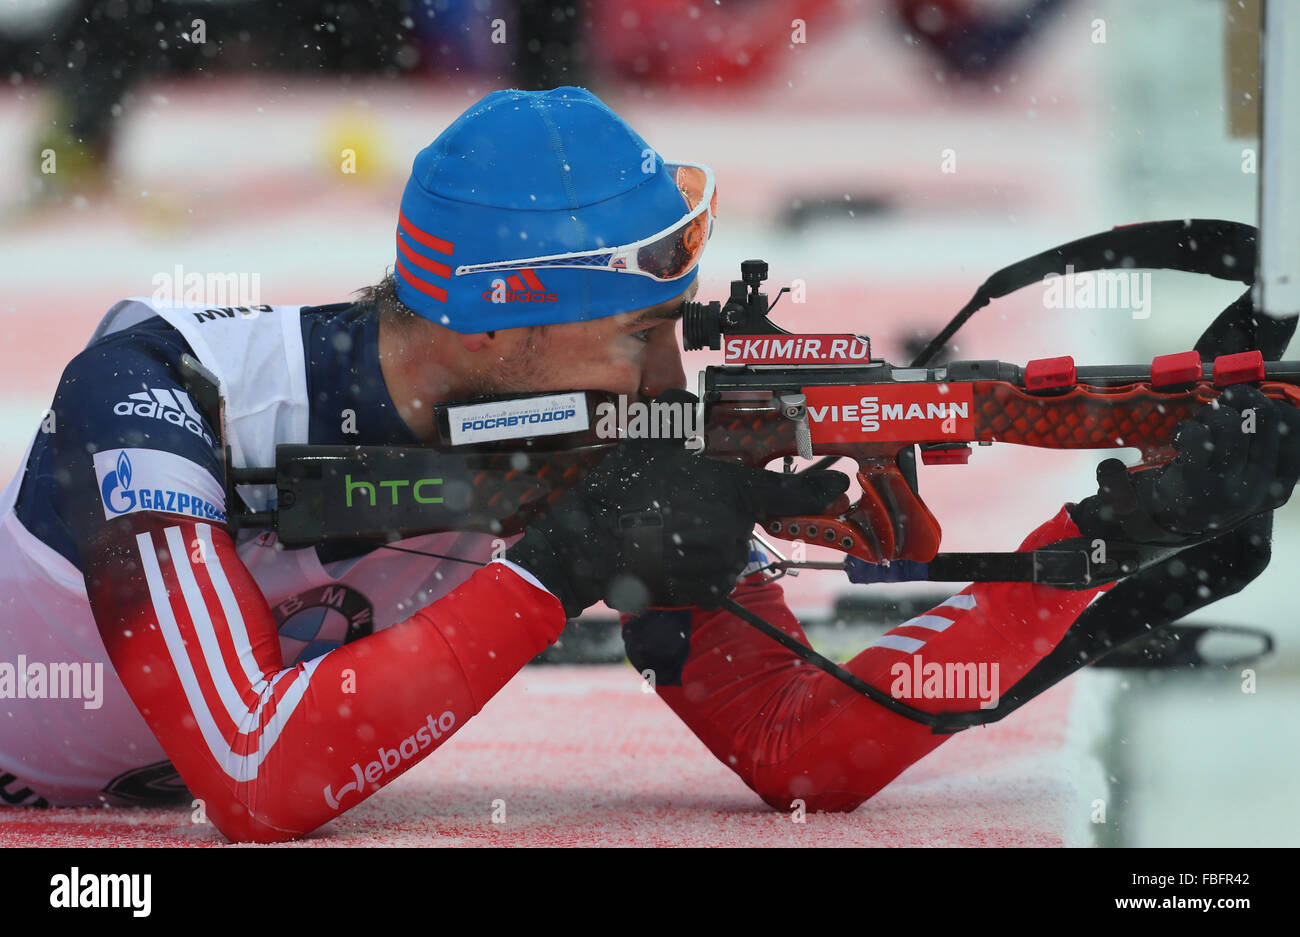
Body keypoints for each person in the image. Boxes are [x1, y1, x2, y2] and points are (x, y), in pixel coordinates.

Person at [0, 86, 1294, 841]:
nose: (671, 379)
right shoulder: (159, 391)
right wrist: (561, 566)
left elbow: (802, 751)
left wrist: (1105, 542)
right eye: (639, 333)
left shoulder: (589, 429)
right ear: (495, 318)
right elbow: (256, 773)